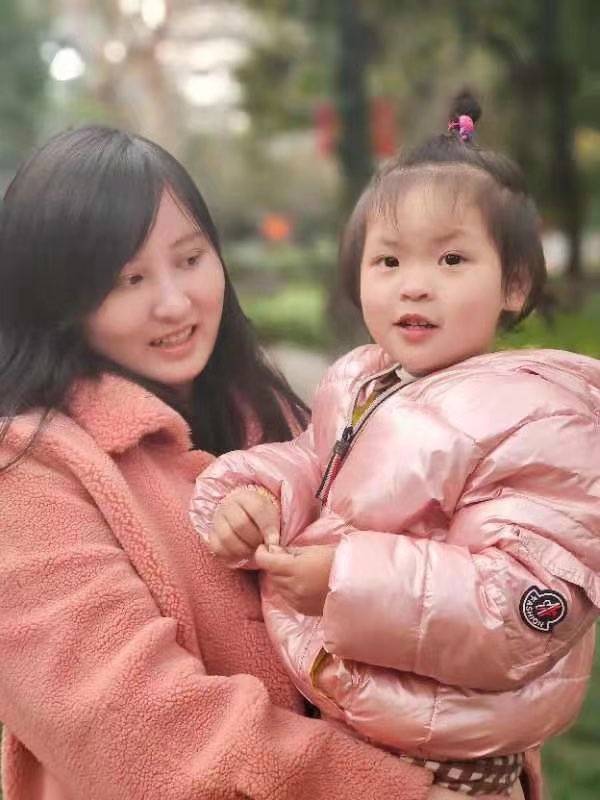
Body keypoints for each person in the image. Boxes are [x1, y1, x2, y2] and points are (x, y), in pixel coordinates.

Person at [0, 126, 474, 800]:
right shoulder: (28, 470)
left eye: (191, 259)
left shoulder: (281, 420)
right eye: (129, 279)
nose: (175, 302)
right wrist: (399, 792)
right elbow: (128, 729)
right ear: (57, 302)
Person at [190, 92, 600, 800]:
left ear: (513, 283)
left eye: (451, 259)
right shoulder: (362, 377)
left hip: (448, 762)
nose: (414, 286)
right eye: (388, 261)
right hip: (355, 723)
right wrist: (252, 495)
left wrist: (345, 579)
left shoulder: (539, 420)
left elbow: (523, 609)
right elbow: (317, 463)